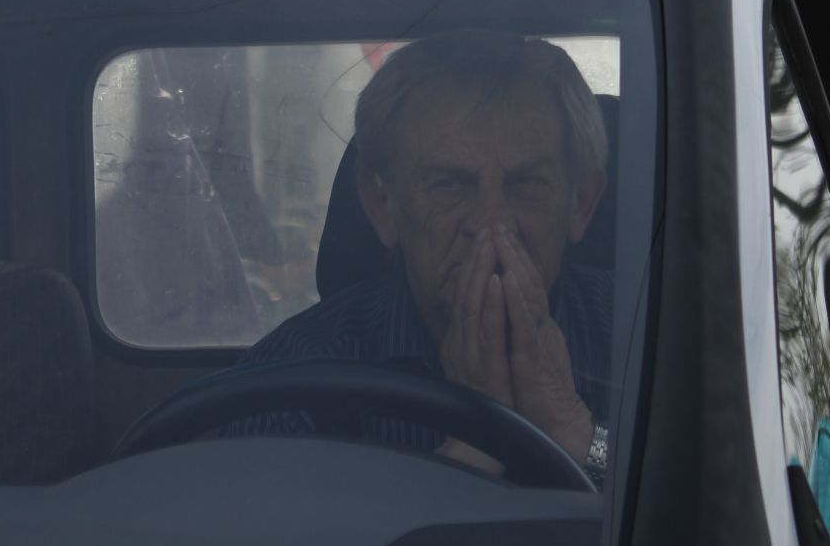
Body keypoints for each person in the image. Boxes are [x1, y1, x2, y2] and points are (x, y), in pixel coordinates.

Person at [242, 32, 613, 478]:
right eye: (448, 184)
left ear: (581, 203)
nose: (492, 223)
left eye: (526, 183)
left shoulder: (653, 340)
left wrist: (575, 432)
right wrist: (472, 444)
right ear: (383, 205)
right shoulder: (293, 381)